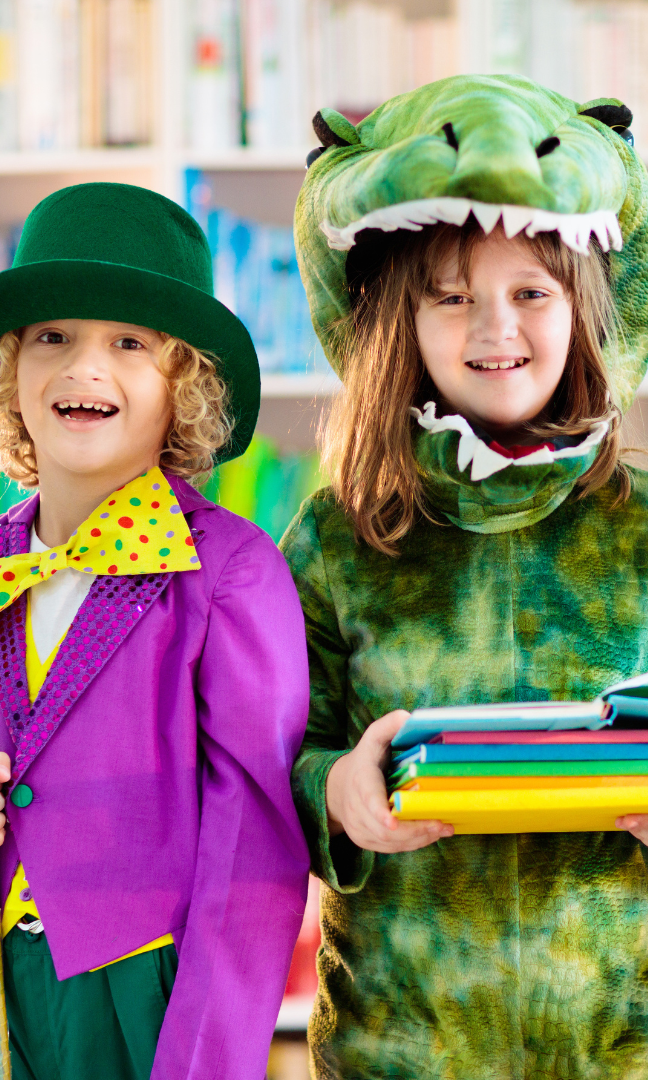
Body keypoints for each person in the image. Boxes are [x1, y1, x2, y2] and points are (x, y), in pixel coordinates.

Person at [282, 75, 648, 1079]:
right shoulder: (335, 535)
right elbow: (272, 749)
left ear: (584, 308)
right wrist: (336, 791)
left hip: (625, 1045)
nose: (493, 328)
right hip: (400, 1045)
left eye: (530, 294)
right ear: (395, 322)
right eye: (450, 296)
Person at [0, 182, 311, 1080]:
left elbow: (254, 850)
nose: (83, 367)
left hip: (148, 986)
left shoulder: (232, 575)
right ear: (12, 371)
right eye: (52, 336)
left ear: (187, 388)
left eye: (128, 343)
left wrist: (204, 1061)